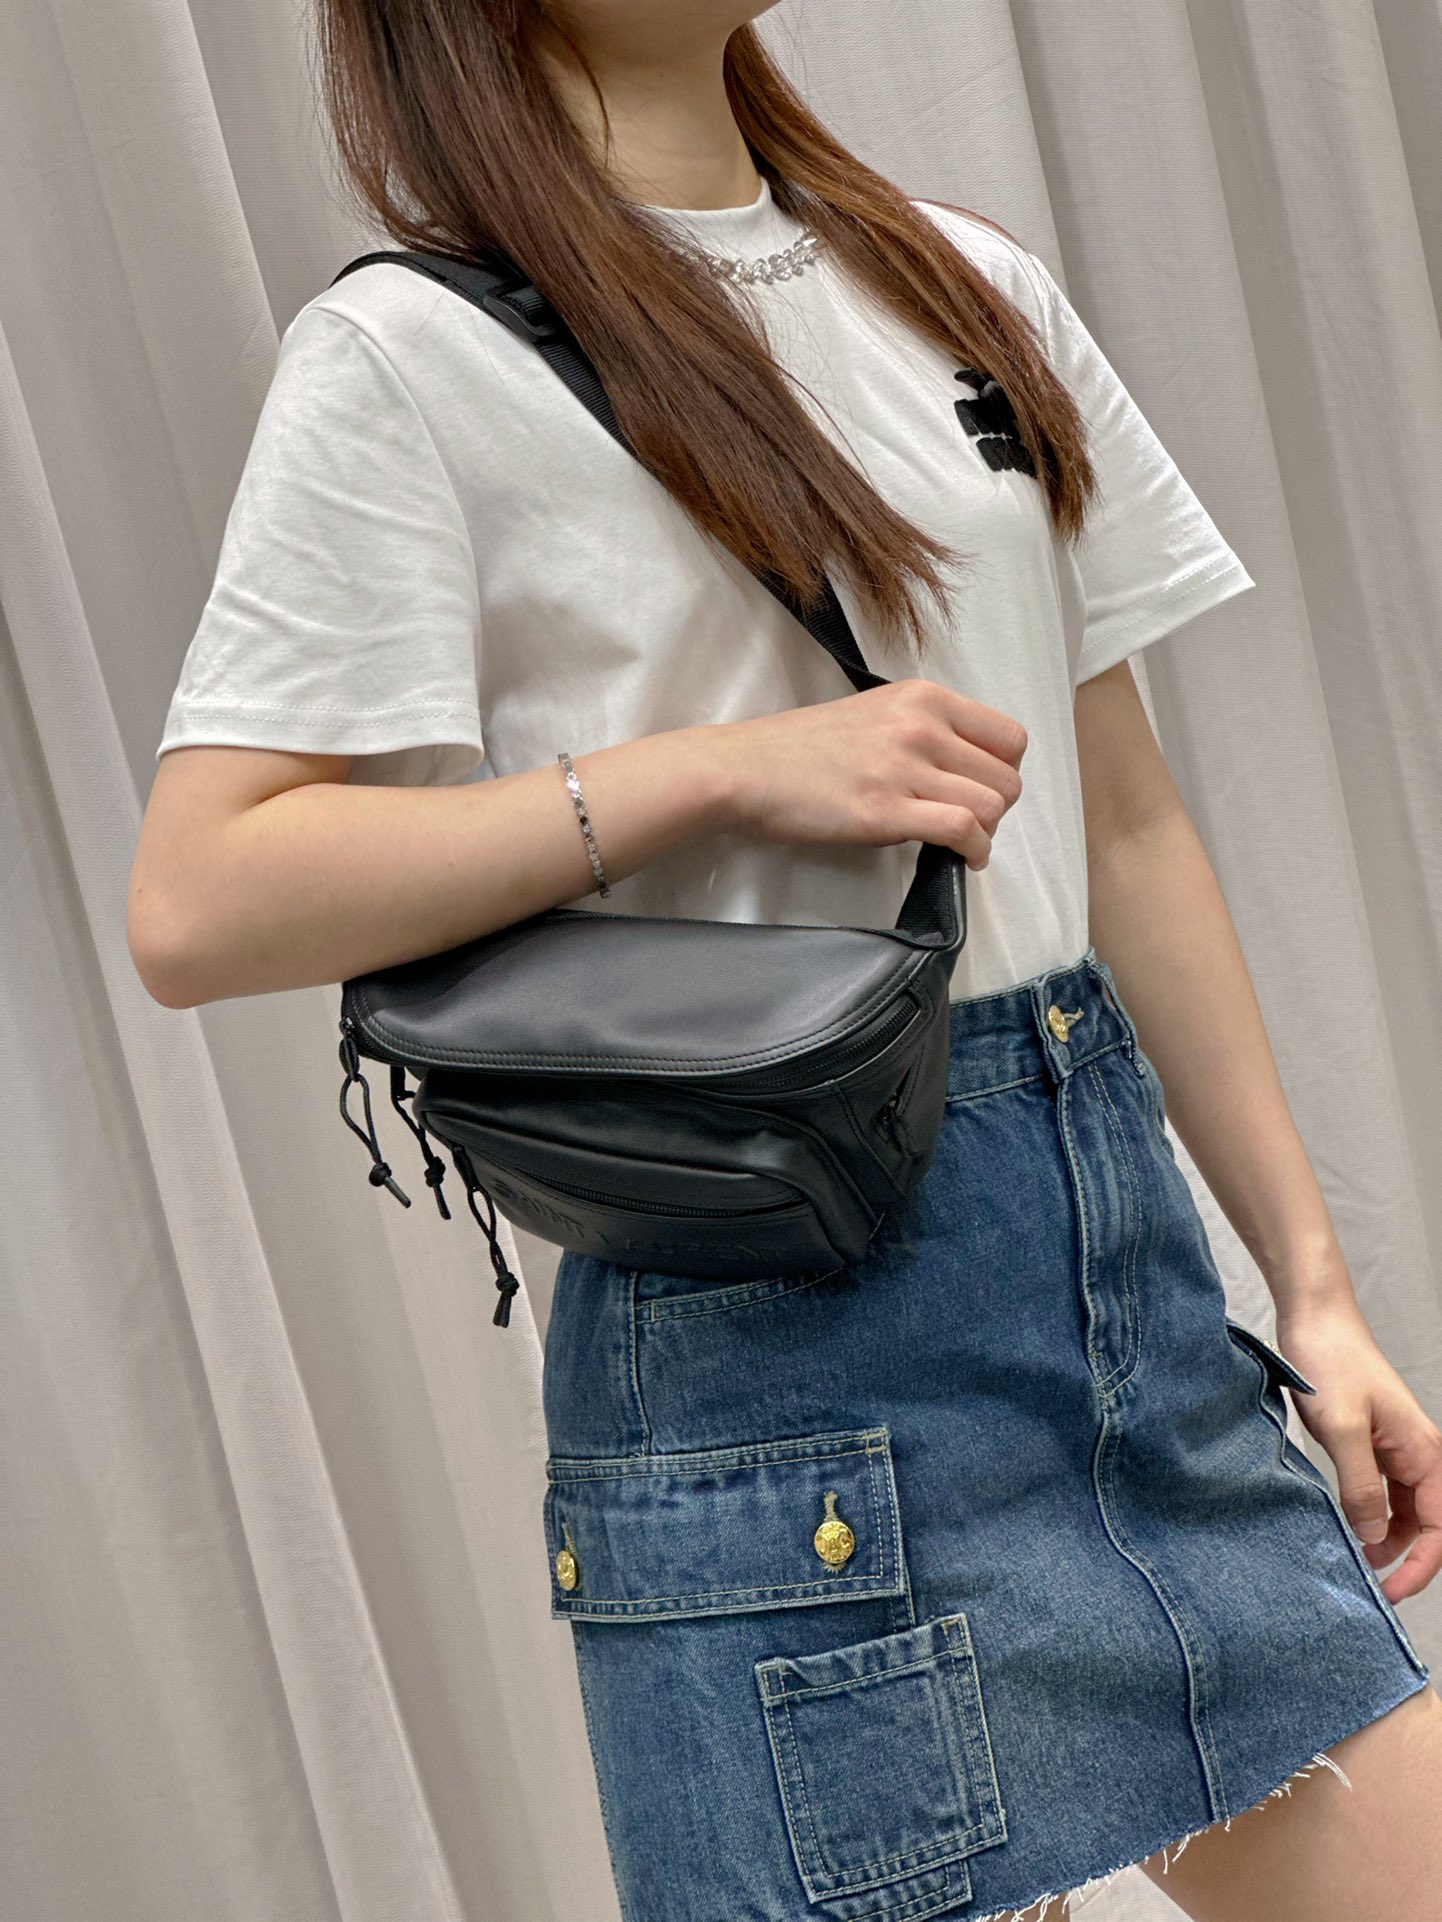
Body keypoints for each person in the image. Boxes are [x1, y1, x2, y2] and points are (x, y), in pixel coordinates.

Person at [129, 3, 1442, 1918]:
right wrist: (714, 773)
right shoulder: (411, 357)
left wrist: (1312, 1295)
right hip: (772, 1360)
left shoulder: (960, 284)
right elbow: (200, 893)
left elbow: (1123, 816)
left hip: (1116, 1305)